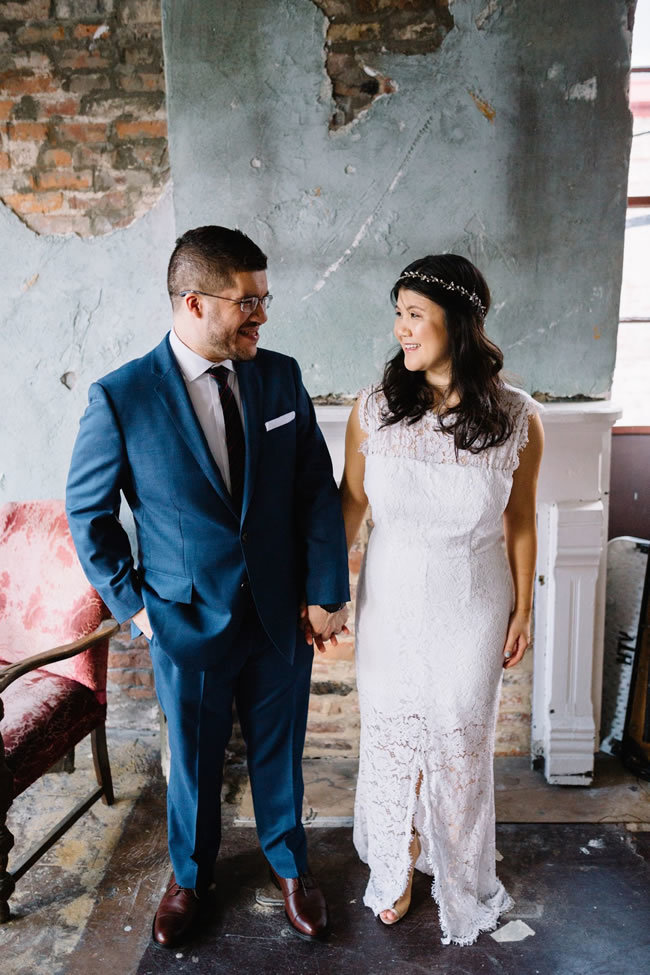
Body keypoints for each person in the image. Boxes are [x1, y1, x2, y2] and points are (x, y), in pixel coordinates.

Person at [66, 226, 349, 948]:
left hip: (282, 613)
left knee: (279, 748)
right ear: (193, 302)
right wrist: (137, 609)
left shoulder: (280, 377)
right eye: (247, 301)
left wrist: (325, 590)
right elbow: (89, 515)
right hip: (183, 619)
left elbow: (316, 490)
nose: (262, 315)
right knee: (191, 756)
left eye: (264, 298)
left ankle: (291, 866)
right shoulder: (121, 396)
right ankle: (190, 877)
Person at [339, 254, 544, 946]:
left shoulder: (519, 419)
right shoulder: (373, 409)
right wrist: (325, 588)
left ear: (458, 322)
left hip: (473, 599)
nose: (400, 327)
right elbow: (353, 501)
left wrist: (524, 607)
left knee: (459, 734)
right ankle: (397, 861)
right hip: (390, 598)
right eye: (397, 312)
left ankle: (459, 867)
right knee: (393, 730)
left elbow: (521, 517)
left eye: (414, 313)